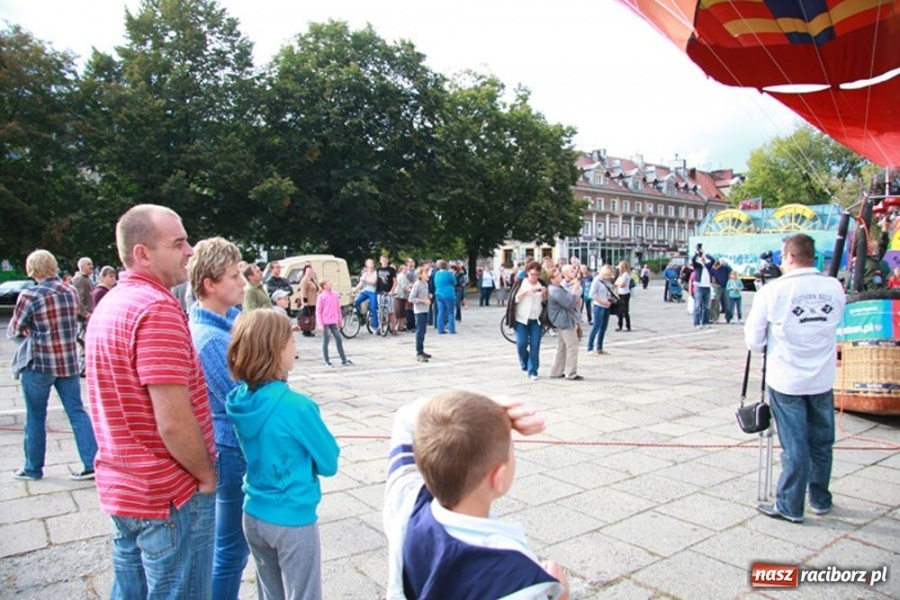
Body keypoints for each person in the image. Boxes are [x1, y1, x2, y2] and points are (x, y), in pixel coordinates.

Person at [86, 204, 216, 598]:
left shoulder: (112, 303)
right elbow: (173, 421)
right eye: (178, 243)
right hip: (168, 496)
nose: (190, 251)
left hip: (126, 488)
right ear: (142, 253)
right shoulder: (156, 310)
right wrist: (206, 475)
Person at [383, 391, 569, 600]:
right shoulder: (518, 579)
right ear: (498, 477)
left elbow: (406, 417)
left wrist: (481, 412)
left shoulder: (406, 503)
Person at [226, 309, 340, 600]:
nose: (296, 345)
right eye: (291, 339)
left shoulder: (239, 400)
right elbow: (329, 462)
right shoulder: (297, 406)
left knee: (269, 592)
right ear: (275, 349)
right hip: (292, 518)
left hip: (253, 511)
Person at [745, 233, 846, 524]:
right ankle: (820, 498)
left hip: (787, 376)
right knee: (822, 442)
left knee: (794, 445)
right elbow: (836, 321)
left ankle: (790, 504)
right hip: (822, 377)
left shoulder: (774, 291)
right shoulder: (834, 287)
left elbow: (754, 340)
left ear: (788, 257)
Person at [187, 237, 248, 599]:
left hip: (233, 445)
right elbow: (240, 399)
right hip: (229, 448)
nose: (241, 282)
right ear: (210, 284)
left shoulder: (229, 322)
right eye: (233, 276)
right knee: (229, 549)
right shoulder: (210, 340)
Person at [8, 250, 97, 481]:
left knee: (35, 416)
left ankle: (33, 467)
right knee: (77, 412)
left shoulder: (30, 295)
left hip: (39, 362)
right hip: (67, 362)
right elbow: (78, 318)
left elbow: (15, 330)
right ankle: (92, 462)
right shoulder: (69, 291)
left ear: (32, 269)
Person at [511, 262, 547, 380]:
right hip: (521, 318)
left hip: (536, 319)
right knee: (521, 344)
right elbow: (514, 299)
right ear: (527, 273)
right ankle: (525, 364)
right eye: (532, 274)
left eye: (537, 274)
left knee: (535, 345)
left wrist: (544, 293)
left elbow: (545, 302)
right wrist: (527, 291)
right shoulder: (521, 283)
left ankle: (533, 370)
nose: (534, 277)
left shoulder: (541, 283)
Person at [547, 267, 583, 380]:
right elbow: (568, 303)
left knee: (561, 347)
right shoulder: (555, 290)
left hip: (561, 320)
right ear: (552, 279)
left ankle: (556, 371)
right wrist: (574, 291)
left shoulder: (556, 288)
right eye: (557, 275)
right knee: (572, 346)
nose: (560, 276)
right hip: (565, 321)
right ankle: (571, 373)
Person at [316, 277, 352, 367]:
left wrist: (340, 320)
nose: (330, 283)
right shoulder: (321, 296)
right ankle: (326, 360)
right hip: (325, 322)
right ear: (324, 286)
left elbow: (338, 308)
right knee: (326, 341)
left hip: (333, 321)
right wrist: (320, 323)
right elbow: (318, 311)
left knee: (338, 339)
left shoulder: (334, 294)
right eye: (328, 282)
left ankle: (343, 359)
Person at [587, 265, 616, 356]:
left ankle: (600, 347)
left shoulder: (606, 281)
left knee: (603, 328)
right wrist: (603, 301)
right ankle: (590, 347)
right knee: (596, 327)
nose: (609, 277)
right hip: (599, 306)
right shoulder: (597, 280)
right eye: (608, 275)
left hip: (607, 306)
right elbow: (592, 295)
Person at [409, 266, 432, 362]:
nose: (428, 275)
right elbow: (411, 298)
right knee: (420, 332)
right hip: (419, 311)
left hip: (425, 310)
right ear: (420, 275)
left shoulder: (425, 284)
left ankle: (422, 350)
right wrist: (423, 300)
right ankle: (419, 353)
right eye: (426, 273)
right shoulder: (417, 284)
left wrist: (429, 296)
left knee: (423, 331)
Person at [691, 247, 713, 328]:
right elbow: (693, 260)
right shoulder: (698, 266)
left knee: (706, 307)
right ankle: (696, 323)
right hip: (699, 287)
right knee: (697, 306)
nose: (702, 259)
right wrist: (697, 253)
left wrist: (706, 254)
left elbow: (713, 260)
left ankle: (705, 322)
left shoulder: (708, 266)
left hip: (707, 287)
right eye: (701, 259)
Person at [354, 258, 379, 330]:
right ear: (366, 265)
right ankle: (361, 317)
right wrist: (354, 290)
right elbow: (360, 284)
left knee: (373, 307)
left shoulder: (376, 273)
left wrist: (365, 280)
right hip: (365, 291)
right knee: (356, 302)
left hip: (373, 291)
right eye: (369, 263)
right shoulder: (365, 273)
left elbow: (374, 282)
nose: (370, 264)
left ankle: (375, 326)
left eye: (371, 263)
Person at [376, 255, 398, 334]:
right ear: (380, 261)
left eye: (385, 260)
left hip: (389, 292)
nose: (384, 261)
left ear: (387, 261)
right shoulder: (378, 269)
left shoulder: (391, 270)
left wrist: (392, 291)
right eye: (382, 260)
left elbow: (395, 281)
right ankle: (380, 327)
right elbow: (376, 280)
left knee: (391, 311)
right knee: (380, 310)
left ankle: (393, 328)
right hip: (380, 292)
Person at [434, 260, 457, 334]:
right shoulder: (447, 273)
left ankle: (440, 329)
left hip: (439, 294)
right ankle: (452, 329)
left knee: (440, 312)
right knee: (451, 312)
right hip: (448, 294)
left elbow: (435, 283)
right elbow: (454, 282)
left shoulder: (436, 273)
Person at [71, 256, 95, 327]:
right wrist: (85, 314)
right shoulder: (79, 279)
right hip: (83, 318)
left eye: (91, 264)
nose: (91, 266)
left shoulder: (87, 279)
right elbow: (78, 299)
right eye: (89, 264)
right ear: (82, 266)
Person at [299, 264, 320, 337]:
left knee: (311, 316)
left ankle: (309, 329)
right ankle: (306, 330)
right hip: (308, 302)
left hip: (313, 301)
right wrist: (305, 300)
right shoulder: (305, 280)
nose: (310, 272)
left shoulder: (312, 279)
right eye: (308, 270)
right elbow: (303, 291)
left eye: (311, 270)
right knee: (307, 316)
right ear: (305, 271)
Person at [709, 259, 732, 323]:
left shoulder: (725, 268)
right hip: (717, 287)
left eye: (717, 267)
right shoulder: (712, 269)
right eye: (714, 267)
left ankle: (728, 318)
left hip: (725, 287)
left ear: (719, 265)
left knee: (727, 303)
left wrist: (729, 282)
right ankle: (716, 318)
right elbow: (712, 278)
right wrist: (715, 283)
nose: (715, 268)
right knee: (716, 303)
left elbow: (730, 272)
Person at [614, 261, 632, 332]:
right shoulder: (621, 275)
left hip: (625, 293)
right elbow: (616, 283)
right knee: (619, 311)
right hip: (620, 293)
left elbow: (622, 284)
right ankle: (620, 325)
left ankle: (628, 326)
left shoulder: (625, 274)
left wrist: (619, 284)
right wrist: (618, 283)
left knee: (625, 310)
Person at [394, 264, 410, 332]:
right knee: (400, 312)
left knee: (401, 311)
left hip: (399, 295)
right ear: (401, 269)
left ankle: (401, 325)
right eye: (404, 269)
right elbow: (404, 287)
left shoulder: (400, 276)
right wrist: (410, 290)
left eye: (406, 269)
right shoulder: (402, 276)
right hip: (400, 295)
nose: (406, 270)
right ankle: (400, 326)